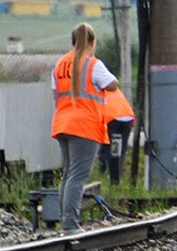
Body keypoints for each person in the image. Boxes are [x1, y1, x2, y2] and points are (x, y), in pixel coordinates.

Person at [51, 23, 119, 234]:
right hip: (85, 126)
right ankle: (70, 224)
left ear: (73, 41)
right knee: (79, 175)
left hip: (62, 122)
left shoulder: (60, 65)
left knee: (68, 174)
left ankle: (64, 220)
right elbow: (112, 84)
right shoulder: (92, 64)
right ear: (92, 43)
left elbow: (56, 95)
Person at [98, 87, 135, 186]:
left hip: (111, 117)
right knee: (120, 149)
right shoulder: (114, 88)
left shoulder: (98, 91)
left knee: (107, 145)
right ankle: (118, 174)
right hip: (127, 117)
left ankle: (104, 171)